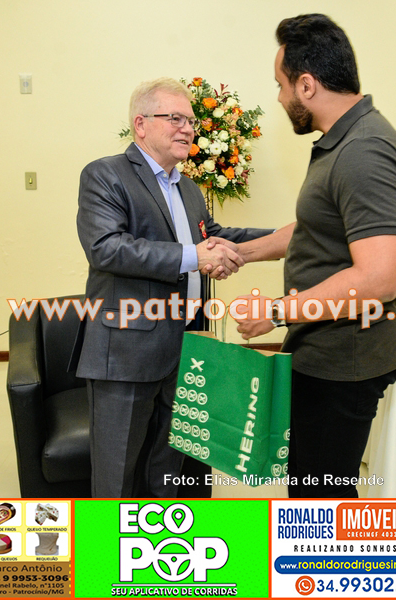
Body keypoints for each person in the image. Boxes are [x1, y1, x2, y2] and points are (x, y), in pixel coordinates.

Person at [233, 13, 396, 498]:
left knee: (321, 501)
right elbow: (319, 227)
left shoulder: (364, 152)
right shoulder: (347, 142)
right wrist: (242, 252)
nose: (279, 98)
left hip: (343, 361)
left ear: (307, 85)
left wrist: (276, 313)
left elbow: (378, 277)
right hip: (326, 349)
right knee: (310, 486)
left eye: (281, 85)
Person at [75, 78, 272, 498]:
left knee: (168, 473)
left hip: (186, 348)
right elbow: (106, 248)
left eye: (191, 121)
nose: (187, 129)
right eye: (176, 119)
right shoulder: (105, 174)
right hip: (126, 352)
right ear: (141, 124)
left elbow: (214, 237)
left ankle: (163, 536)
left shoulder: (187, 186)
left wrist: (283, 240)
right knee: (116, 478)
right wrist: (193, 257)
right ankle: (109, 541)